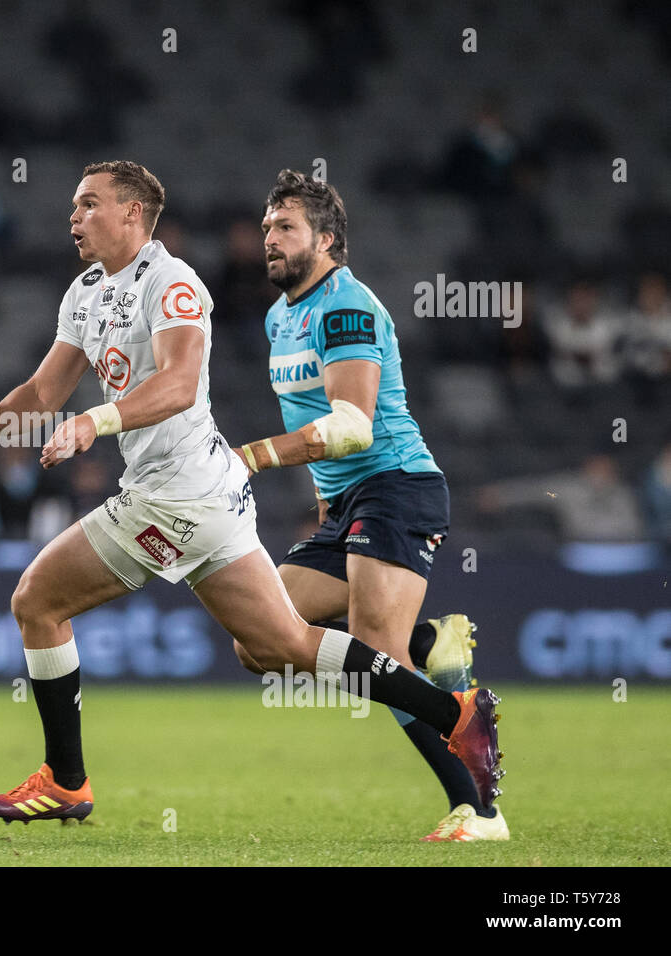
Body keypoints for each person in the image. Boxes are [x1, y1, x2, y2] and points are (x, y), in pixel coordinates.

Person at [0, 161, 502, 828]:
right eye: (266, 226)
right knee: (274, 647)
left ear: (133, 213)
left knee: (37, 599)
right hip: (215, 493)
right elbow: (44, 392)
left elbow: (182, 384)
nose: (73, 218)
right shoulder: (89, 293)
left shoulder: (175, 284)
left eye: (88, 205)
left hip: (181, 494)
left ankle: (66, 780)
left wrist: (94, 422)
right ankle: (451, 707)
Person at [228, 170, 506, 842]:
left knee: (375, 647)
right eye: (267, 226)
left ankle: (480, 811)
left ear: (325, 239)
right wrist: (327, 504)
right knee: (259, 639)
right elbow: (318, 423)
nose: (269, 237)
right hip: (347, 497)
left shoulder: (347, 308)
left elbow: (352, 426)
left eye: (285, 226)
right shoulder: (279, 314)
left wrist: (256, 456)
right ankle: (429, 645)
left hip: (397, 485)